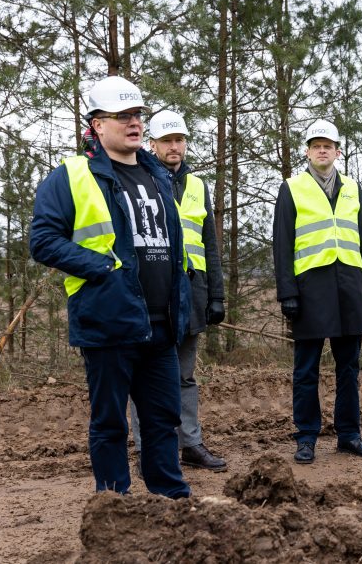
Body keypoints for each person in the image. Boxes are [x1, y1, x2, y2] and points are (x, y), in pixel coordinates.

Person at [29, 76, 191, 498]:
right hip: (109, 321)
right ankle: (113, 507)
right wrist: (102, 267)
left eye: (138, 115)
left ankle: (170, 499)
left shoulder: (158, 174)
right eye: (122, 116)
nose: (134, 123)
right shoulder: (71, 176)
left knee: (162, 419)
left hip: (161, 323)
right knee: (110, 423)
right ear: (97, 125)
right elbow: (43, 241)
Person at [272, 119, 362, 465]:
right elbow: (282, 244)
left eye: (328, 145)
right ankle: (306, 437)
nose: (322, 150)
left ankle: (349, 435)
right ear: (307, 151)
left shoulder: (352, 188)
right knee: (306, 370)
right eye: (316, 145)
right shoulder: (292, 188)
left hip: (349, 288)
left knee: (349, 367)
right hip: (309, 291)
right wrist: (287, 292)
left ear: (337, 151)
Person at [129, 110, 228, 473]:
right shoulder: (139, 180)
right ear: (152, 144)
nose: (174, 146)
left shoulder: (198, 185)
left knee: (185, 376)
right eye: (167, 140)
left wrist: (216, 296)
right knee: (147, 380)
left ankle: (190, 444)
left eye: (179, 140)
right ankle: (150, 451)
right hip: (153, 295)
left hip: (193, 293)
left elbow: (210, 245)